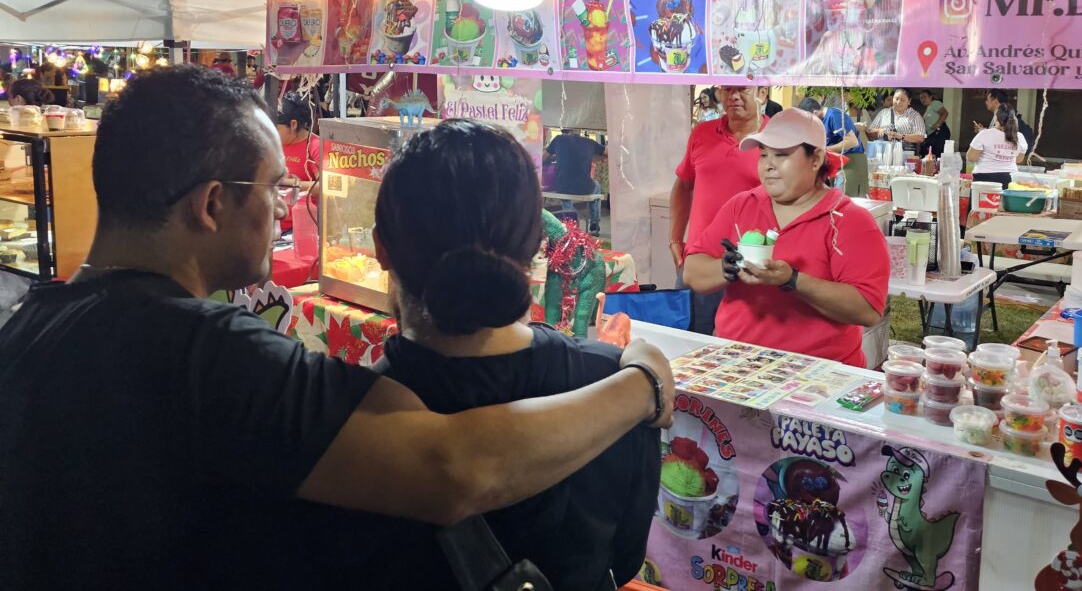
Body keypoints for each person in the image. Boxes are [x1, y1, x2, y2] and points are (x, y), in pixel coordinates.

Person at [0, 66, 675, 589]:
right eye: (275, 187)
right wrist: (637, 383)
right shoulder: (209, 354)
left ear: (383, 249)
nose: (284, 205)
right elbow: (454, 467)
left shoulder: (24, 324)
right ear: (212, 204)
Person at [346, 120, 658, 589]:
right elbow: (626, 559)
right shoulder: (622, 383)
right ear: (536, 246)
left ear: (380, 248)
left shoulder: (345, 419)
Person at [683, 109, 888, 366]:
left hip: (818, 372)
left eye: (781, 155)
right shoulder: (741, 206)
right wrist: (728, 267)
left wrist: (792, 280)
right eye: (763, 155)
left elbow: (868, 309)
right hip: (737, 365)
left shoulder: (848, 220)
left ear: (816, 159)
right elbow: (692, 272)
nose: (768, 165)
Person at [670, 85, 766, 335]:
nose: (734, 96)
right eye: (727, 89)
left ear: (762, 93)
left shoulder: (775, 141)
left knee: (742, 349)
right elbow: (683, 185)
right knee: (688, 342)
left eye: (742, 89)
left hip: (749, 267)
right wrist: (675, 239)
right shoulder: (702, 133)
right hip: (699, 263)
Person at [799, 96, 867, 198]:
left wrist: (825, 149)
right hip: (836, 162)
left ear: (814, 113)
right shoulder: (821, 121)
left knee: (844, 200)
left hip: (851, 161)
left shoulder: (834, 116)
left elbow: (852, 141)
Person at [275, 93, 322, 234]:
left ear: (293, 124)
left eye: (277, 128)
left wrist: (287, 183)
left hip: (298, 228)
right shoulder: (276, 144)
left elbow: (325, 186)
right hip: (274, 223)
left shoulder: (315, 146)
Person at [545, 128, 606, 234]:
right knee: (596, 186)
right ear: (580, 130)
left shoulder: (558, 139)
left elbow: (543, 157)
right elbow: (608, 152)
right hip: (584, 187)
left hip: (562, 187)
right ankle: (594, 224)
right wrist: (589, 158)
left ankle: (572, 221)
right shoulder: (590, 142)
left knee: (565, 191)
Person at [968, 103, 1029, 187]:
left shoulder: (984, 134)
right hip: (1009, 180)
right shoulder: (1020, 137)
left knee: (981, 196)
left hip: (984, 178)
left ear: (996, 118)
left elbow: (971, 157)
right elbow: (1018, 160)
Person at [867, 88, 926, 156]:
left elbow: (920, 137)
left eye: (902, 100)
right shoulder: (883, 113)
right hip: (885, 155)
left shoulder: (915, 116)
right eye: (896, 99)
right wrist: (879, 130)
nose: (898, 102)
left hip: (906, 156)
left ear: (909, 101)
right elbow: (869, 131)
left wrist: (900, 136)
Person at [916, 88, 950, 158]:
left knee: (937, 154)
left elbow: (945, 113)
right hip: (932, 135)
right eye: (921, 98)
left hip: (939, 132)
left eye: (924, 97)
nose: (923, 99)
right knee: (930, 154)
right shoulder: (928, 108)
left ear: (930, 97)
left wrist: (937, 124)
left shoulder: (935, 103)